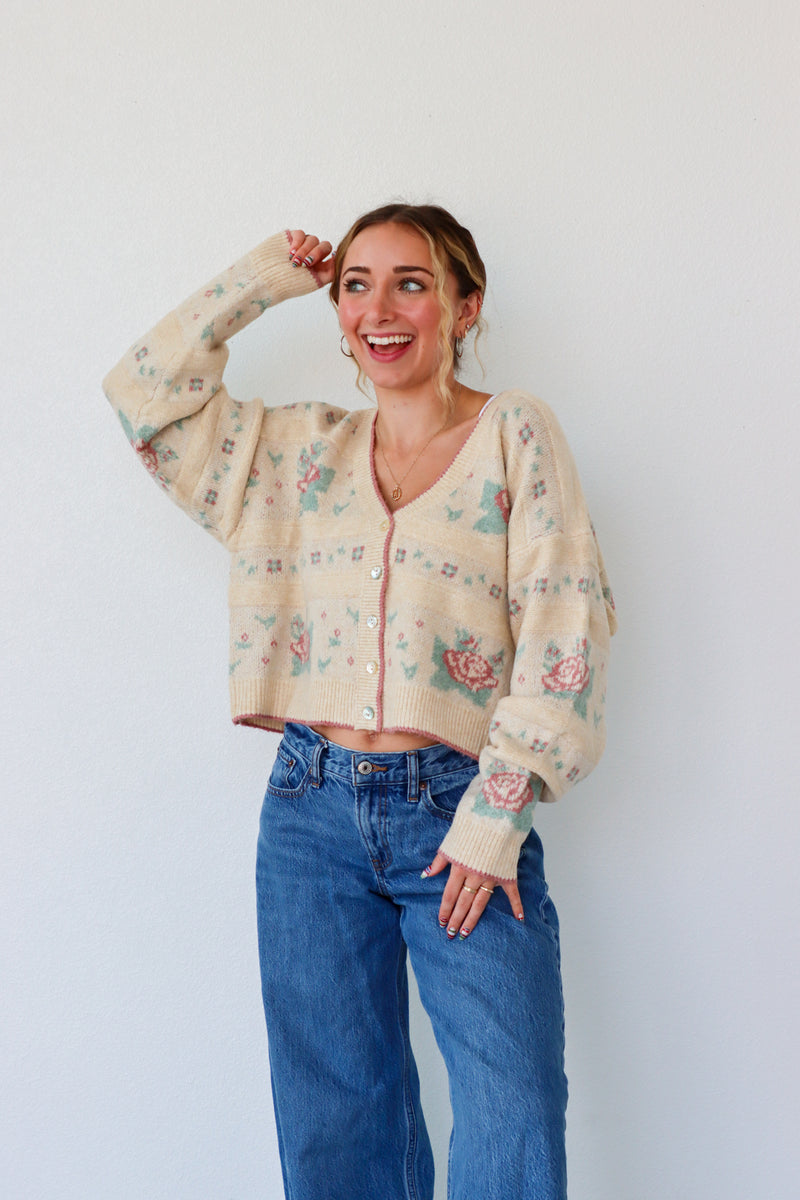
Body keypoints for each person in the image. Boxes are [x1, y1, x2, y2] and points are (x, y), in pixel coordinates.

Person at [103, 203, 616, 1200]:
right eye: (356, 284)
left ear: (464, 307)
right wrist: (262, 278)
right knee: (337, 1118)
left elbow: (565, 626)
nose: (379, 310)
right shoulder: (294, 455)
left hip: (459, 813)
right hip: (308, 815)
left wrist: (494, 816)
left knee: (509, 1116)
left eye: (410, 283)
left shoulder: (513, 432)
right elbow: (141, 398)